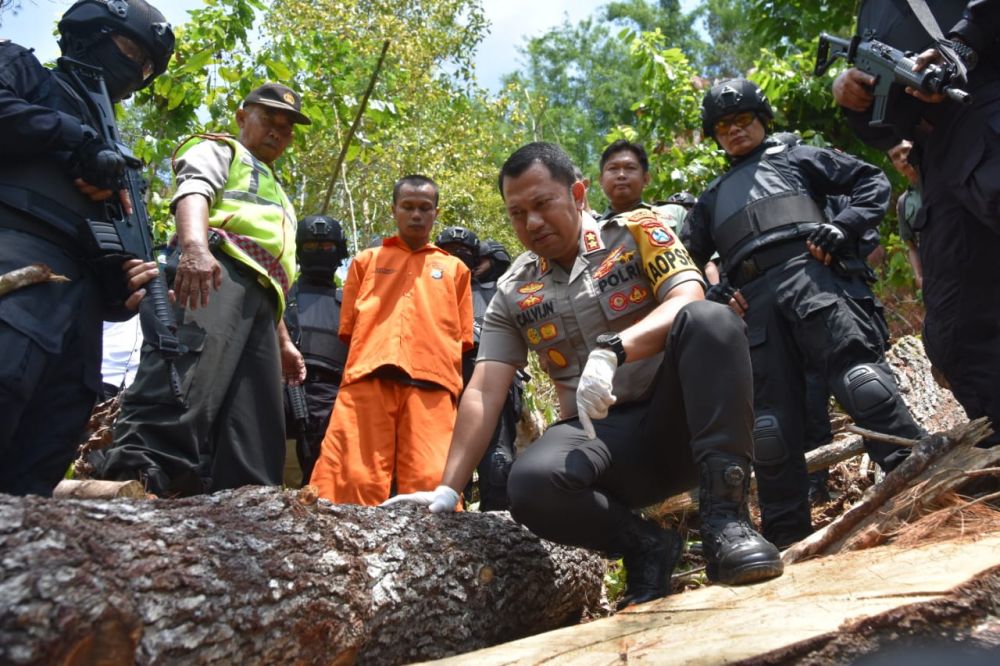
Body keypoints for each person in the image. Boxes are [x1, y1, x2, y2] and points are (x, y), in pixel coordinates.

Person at [387, 142, 783, 610]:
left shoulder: (638, 231)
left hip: (685, 423)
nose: (532, 223)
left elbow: (688, 299)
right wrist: (448, 488)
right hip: (606, 447)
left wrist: (614, 350)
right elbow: (485, 388)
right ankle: (646, 548)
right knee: (530, 483)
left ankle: (728, 524)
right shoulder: (513, 289)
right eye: (518, 214)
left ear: (577, 194)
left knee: (711, 319)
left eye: (542, 204)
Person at [684, 79, 926, 547]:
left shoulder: (797, 157)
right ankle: (786, 534)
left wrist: (844, 226)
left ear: (762, 120)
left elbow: (871, 181)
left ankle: (919, 477)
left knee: (861, 381)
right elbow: (682, 259)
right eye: (723, 127)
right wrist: (715, 292)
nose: (734, 131)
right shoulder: (710, 198)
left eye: (742, 120)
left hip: (813, 276)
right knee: (770, 426)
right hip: (754, 304)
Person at [96, 82, 310, 496]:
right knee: (182, 388)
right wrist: (194, 248)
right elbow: (194, 190)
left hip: (262, 302)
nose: (278, 131)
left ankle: (248, 510)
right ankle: (134, 484)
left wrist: (283, 341)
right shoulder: (222, 149)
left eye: (287, 128)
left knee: (254, 422)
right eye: (269, 118)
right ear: (242, 117)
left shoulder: (279, 190)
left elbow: (270, 271)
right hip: (215, 274)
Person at [0, 0, 174, 496]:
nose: (136, 71)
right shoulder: (26, 69)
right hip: (15, 262)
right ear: (89, 34)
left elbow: (110, 267)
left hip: (79, 322)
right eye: (131, 52)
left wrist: (125, 288)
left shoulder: (116, 155)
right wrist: (74, 138)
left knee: (38, 466)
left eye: (147, 68)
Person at [831, 1, 1000, 447]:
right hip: (940, 160)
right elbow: (886, 131)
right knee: (955, 334)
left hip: (989, 106)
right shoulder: (872, 13)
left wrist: (961, 46)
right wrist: (852, 96)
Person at [308, 175, 473, 505]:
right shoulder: (366, 261)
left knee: (433, 480)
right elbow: (349, 328)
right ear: (394, 209)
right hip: (368, 374)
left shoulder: (456, 269)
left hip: (433, 382)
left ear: (436, 213)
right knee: (348, 477)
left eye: (424, 208)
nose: (416, 215)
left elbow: (462, 337)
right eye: (408, 207)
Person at [437, 227, 524, 511]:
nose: (456, 258)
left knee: (497, 462)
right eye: (449, 252)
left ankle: (498, 524)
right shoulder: (428, 287)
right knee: (441, 459)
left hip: (491, 373)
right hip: (440, 376)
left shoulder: (501, 291)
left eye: (463, 253)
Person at [283, 214, 351, 485]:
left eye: (326, 247)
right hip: (283, 392)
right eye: (311, 246)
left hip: (333, 397)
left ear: (339, 252)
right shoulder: (281, 296)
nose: (320, 252)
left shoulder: (352, 302)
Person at [888, 140, 923, 289]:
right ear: (894, 166)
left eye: (906, 150)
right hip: (936, 275)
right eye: (896, 156)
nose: (903, 158)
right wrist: (919, 277)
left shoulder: (945, 182)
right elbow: (912, 246)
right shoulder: (903, 203)